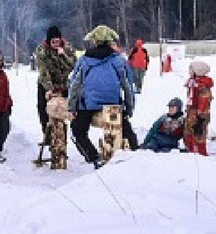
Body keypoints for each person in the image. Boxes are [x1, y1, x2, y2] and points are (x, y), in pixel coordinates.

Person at [68, 24, 138, 168]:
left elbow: (75, 85)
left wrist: (71, 107)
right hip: (112, 103)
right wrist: (129, 109)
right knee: (126, 130)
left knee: (77, 130)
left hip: (88, 105)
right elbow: (127, 86)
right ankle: (136, 156)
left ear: (94, 41)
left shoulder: (84, 60)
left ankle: (93, 157)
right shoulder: (118, 60)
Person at [33, 26, 75, 145]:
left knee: (63, 109)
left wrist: (63, 56)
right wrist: (49, 89)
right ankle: (47, 135)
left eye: (58, 41)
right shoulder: (42, 50)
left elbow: (73, 66)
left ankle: (61, 134)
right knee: (42, 108)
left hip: (63, 83)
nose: (56, 44)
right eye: (53, 42)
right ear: (48, 41)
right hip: (46, 83)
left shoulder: (67, 48)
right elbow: (44, 71)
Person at [183, 60, 214, 156]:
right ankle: (190, 148)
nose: (189, 72)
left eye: (190, 69)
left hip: (199, 114)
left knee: (198, 132)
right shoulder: (193, 82)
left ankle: (200, 151)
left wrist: (201, 115)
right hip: (191, 112)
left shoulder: (202, 85)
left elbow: (204, 100)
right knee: (188, 131)